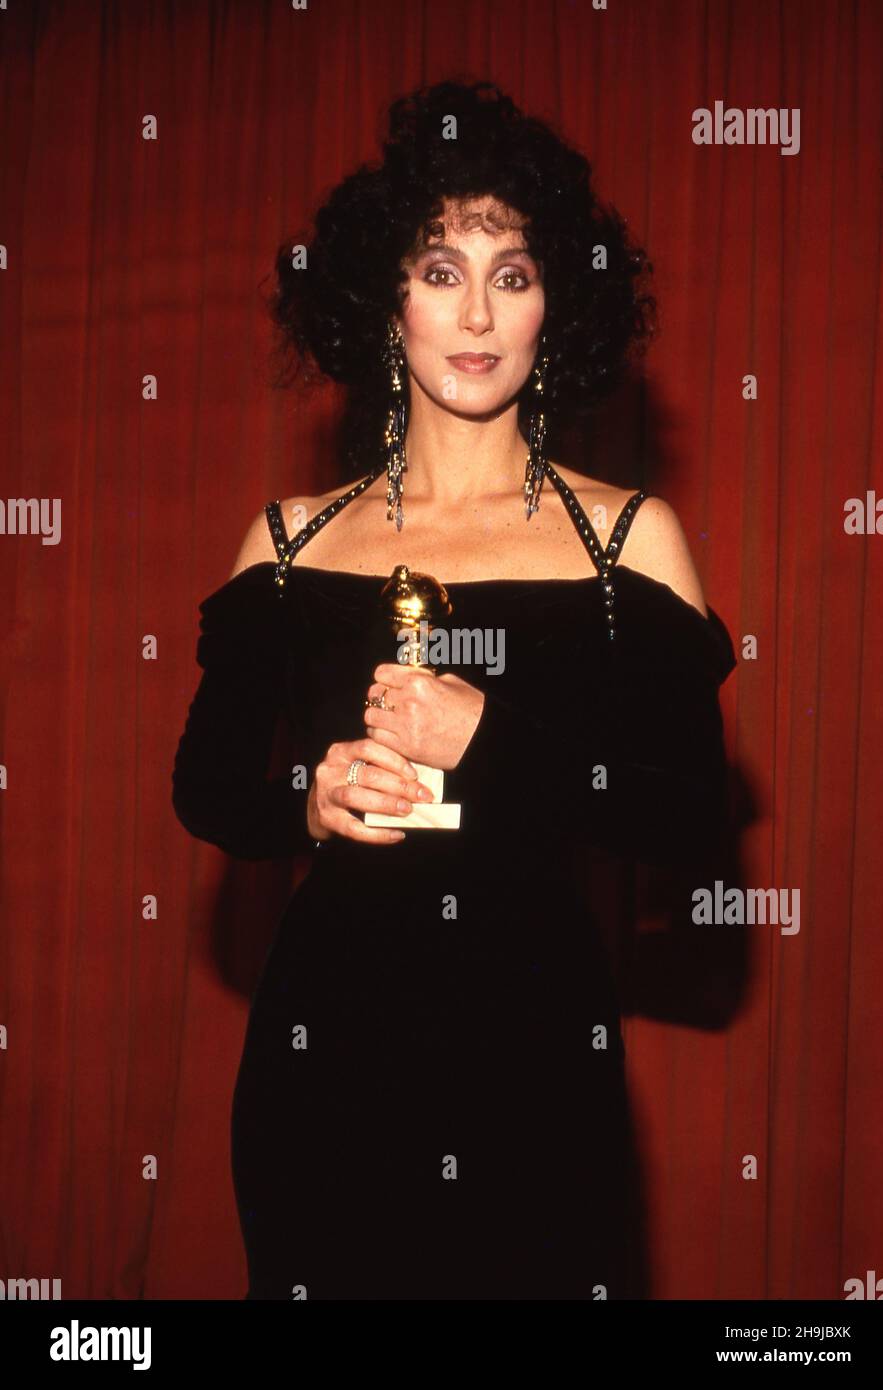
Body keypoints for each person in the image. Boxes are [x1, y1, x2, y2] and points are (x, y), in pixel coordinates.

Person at [172, 79, 736, 1300]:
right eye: (440, 269)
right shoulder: (286, 539)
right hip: (325, 1056)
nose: (476, 310)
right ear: (385, 298)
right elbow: (209, 788)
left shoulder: (623, 542)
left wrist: (490, 737)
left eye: (513, 273)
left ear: (555, 306)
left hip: (536, 1055)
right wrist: (306, 797)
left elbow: (691, 817)